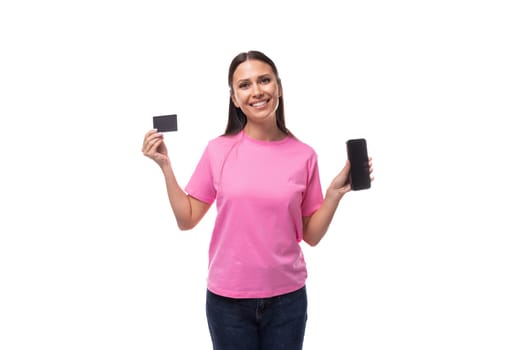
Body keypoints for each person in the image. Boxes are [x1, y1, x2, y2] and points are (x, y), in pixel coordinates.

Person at [142, 50, 374, 350]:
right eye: (245, 85)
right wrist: (165, 167)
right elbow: (186, 219)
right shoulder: (218, 150)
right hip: (228, 303)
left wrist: (333, 195)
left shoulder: (304, 155)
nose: (257, 91)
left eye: (264, 80)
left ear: (277, 86)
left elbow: (310, 236)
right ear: (234, 98)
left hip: (287, 301)